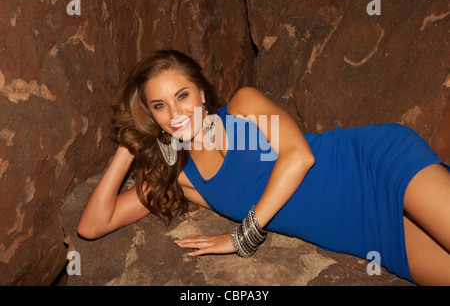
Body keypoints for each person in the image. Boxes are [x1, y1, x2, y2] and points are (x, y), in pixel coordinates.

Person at [77, 49, 450, 285]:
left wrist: (242, 236)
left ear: (202, 94)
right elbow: (92, 225)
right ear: (150, 116)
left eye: (182, 95)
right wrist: (130, 145)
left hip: (374, 166)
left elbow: (300, 157)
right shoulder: (181, 177)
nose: (175, 113)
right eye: (158, 106)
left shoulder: (242, 106)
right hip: (369, 237)